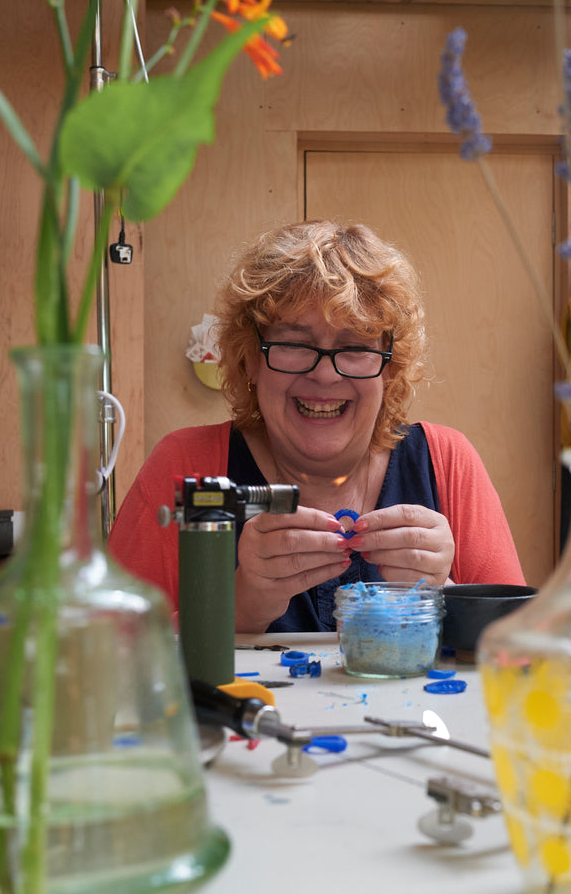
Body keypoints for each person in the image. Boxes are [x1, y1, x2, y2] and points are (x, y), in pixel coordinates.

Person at [108, 220, 524, 633]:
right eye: (292, 343)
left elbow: (519, 654)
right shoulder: (190, 471)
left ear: (390, 369)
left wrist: (443, 595)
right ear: (250, 359)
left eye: (356, 347)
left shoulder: (445, 463)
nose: (325, 376)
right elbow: (102, 663)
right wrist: (236, 609)